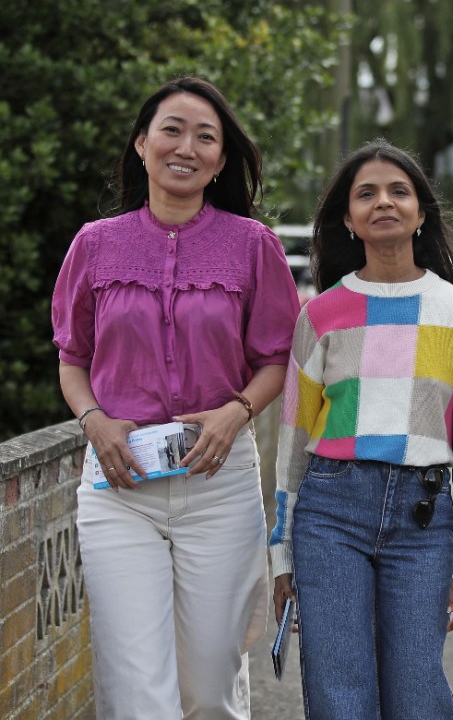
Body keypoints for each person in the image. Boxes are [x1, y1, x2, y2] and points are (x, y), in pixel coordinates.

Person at [52, 76, 301, 718]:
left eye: (205, 136)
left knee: (210, 687)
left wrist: (236, 411)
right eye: (171, 129)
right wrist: (93, 420)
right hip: (119, 487)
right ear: (142, 144)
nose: (185, 146)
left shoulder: (253, 246)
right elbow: (72, 358)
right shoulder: (94, 244)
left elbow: (276, 360)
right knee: (137, 688)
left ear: (220, 159)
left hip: (218, 484)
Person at [269, 139, 453, 719]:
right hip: (329, 515)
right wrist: (281, 553)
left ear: (422, 212)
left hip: (422, 522)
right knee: (341, 698)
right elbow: (293, 441)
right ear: (348, 218)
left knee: (418, 698)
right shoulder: (319, 314)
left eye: (400, 191)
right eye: (366, 194)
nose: (384, 203)